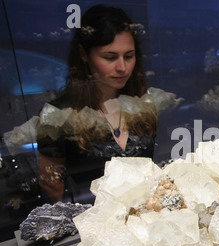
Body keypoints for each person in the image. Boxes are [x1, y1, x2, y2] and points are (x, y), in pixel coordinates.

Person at [36, 5, 157, 204]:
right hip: (90, 223)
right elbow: (51, 183)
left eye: (129, 56)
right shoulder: (57, 114)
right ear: (84, 53)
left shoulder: (143, 104)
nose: (122, 67)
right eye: (109, 57)